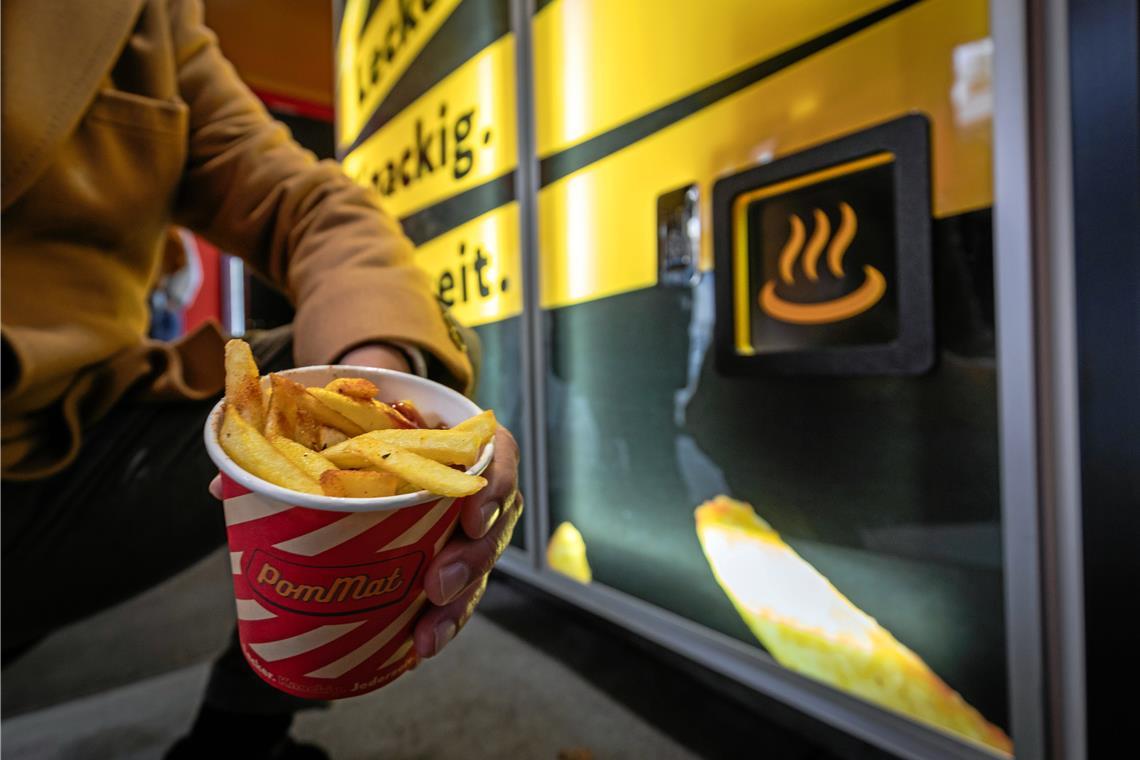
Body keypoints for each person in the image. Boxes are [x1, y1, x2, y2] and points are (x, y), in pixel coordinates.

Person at [0, 1, 523, 758]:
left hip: (73, 443)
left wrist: (377, 403)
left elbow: (306, 202)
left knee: (412, 359)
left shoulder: (143, 17)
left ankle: (236, 737)